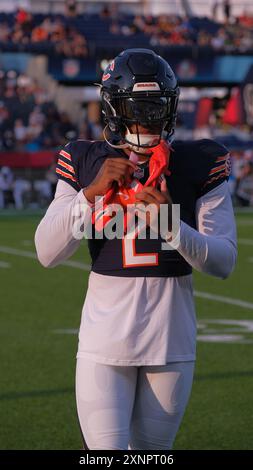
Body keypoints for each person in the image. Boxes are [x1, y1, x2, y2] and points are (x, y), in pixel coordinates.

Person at [35, 49, 237, 450]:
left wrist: (171, 227)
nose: (147, 120)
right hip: (104, 343)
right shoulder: (86, 160)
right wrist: (90, 195)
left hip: (170, 342)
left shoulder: (199, 161)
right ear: (114, 108)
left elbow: (224, 261)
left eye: (156, 108)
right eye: (137, 108)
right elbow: (47, 251)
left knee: (152, 457)